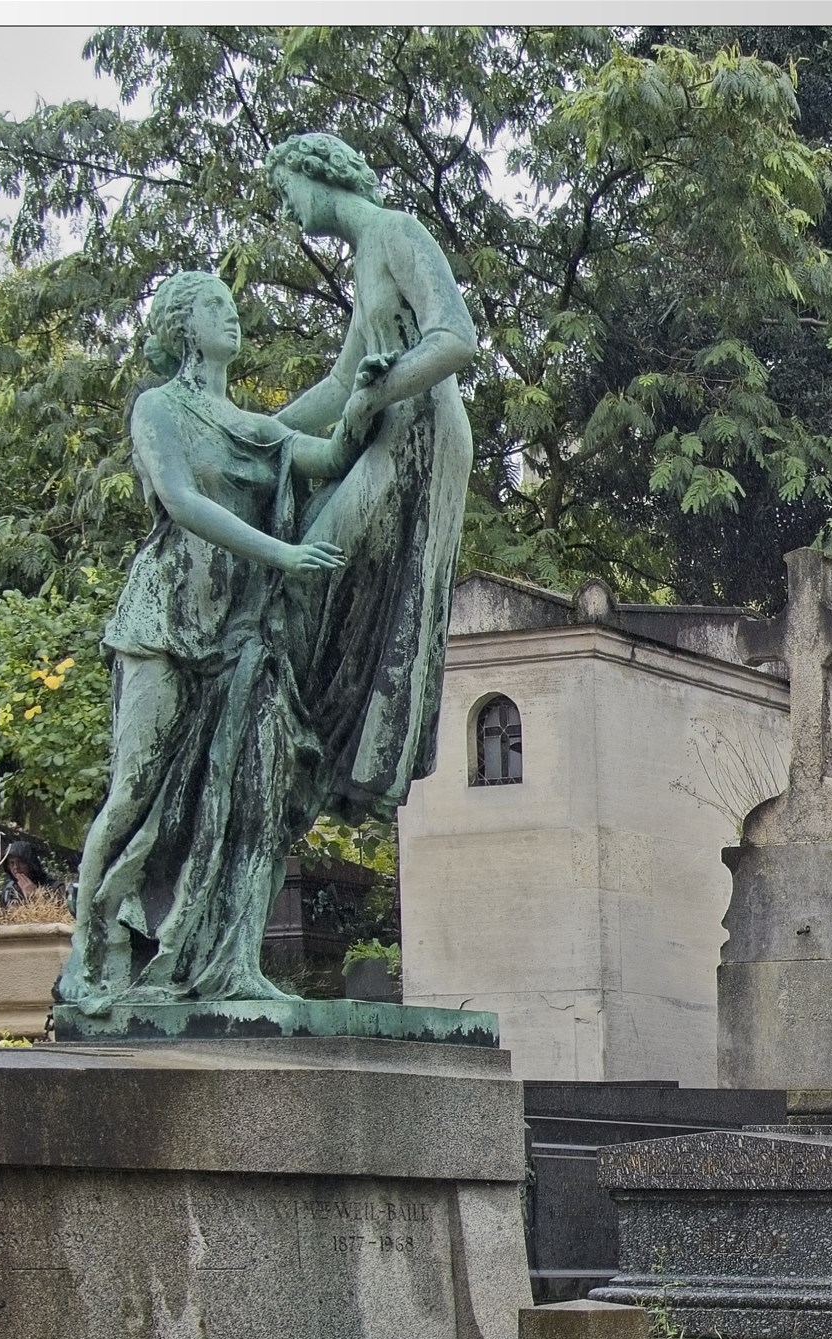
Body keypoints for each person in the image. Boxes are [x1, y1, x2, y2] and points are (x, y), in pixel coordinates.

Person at [59, 270, 354, 1011]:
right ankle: (89, 961)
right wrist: (283, 554)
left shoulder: (252, 425)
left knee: (231, 796)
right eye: (217, 306)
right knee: (133, 792)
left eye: (232, 304)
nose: (233, 316)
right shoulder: (158, 408)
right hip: (162, 622)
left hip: (235, 633)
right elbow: (181, 502)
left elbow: (326, 454)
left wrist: (377, 391)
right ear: (185, 326)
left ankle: (214, 959)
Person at [263, 132, 480, 827]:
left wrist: (377, 395)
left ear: (320, 175)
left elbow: (456, 338)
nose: (287, 207)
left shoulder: (397, 231)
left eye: (287, 189)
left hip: (421, 432)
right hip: (392, 427)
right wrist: (255, 431)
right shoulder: (366, 256)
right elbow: (337, 382)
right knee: (317, 565)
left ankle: (341, 747)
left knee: (316, 567)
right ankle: (334, 745)